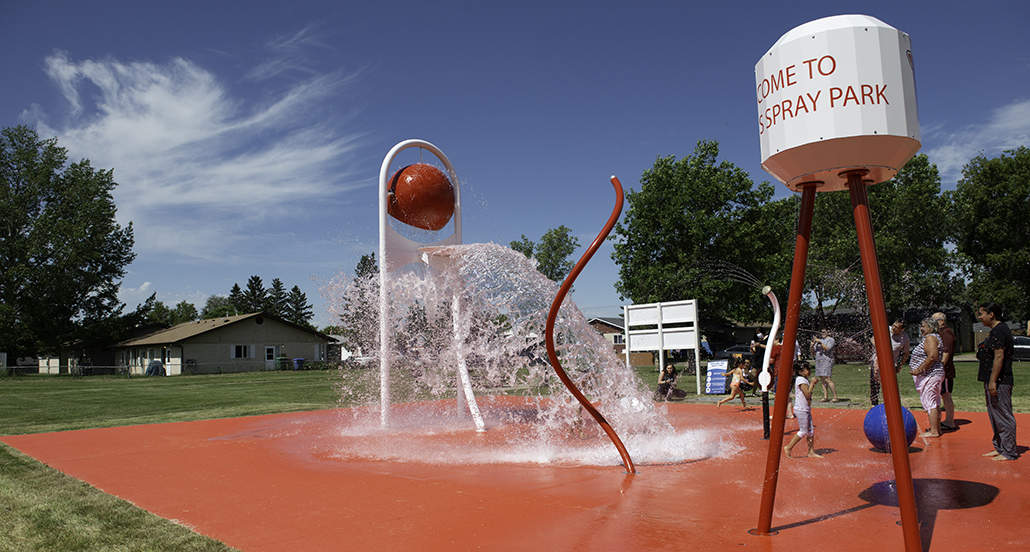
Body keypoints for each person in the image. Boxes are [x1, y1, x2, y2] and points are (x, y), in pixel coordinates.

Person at [976, 302, 1019, 461]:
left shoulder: (1000, 330)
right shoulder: (996, 331)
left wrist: (993, 380)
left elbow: (999, 356)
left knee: (1003, 415)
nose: (980, 317)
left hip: (1001, 381)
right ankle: (1000, 447)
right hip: (992, 380)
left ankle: (1009, 451)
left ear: (991, 314)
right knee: (995, 414)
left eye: (981, 314)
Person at [909, 317, 946, 438]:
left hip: (930, 374)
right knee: (934, 402)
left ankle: (934, 431)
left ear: (930, 327)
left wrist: (919, 369)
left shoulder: (930, 338)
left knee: (930, 402)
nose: (921, 329)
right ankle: (936, 429)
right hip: (932, 374)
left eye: (923, 326)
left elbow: (932, 356)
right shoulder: (933, 337)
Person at [784, 361, 822, 459]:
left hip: (805, 408)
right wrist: (813, 384)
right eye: (807, 369)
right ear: (801, 372)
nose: (810, 370)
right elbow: (807, 394)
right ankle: (788, 447)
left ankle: (811, 451)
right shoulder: (801, 379)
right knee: (804, 431)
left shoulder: (803, 378)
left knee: (810, 431)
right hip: (801, 409)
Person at [869, 319, 910, 405]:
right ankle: (874, 402)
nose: (894, 328)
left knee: (889, 383)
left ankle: (890, 401)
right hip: (877, 360)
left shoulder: (905, 338)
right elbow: (873, 339)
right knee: (874, 381)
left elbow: (906, 353)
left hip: (892, 362)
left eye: (897, 327)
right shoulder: (886, 329)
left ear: (902, 329)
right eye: (894, 325)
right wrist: (879, 347)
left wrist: (900, 365)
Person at [933, 312, 958, 430]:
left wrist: (940, 366)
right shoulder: (940, 333)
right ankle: (947, 420)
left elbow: (946, 352)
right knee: (943, 394)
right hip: (942, 370)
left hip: (945, 371)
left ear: (942, 321)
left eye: (935, 321)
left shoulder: (946, 334)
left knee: (946, 394)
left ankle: (949, 421)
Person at [810, 329, 839, 402]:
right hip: (819, 361)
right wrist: (812, 345)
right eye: (821, 332)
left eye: (824, 332)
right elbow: (812, 351)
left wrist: (820, 342)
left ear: (828, 332)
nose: (822, 333)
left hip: (827, 361)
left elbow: (827, 348)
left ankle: (835, 397)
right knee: (822, 379)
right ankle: (825, 397)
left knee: (827, 378)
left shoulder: (831, 340)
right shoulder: (818, 341)